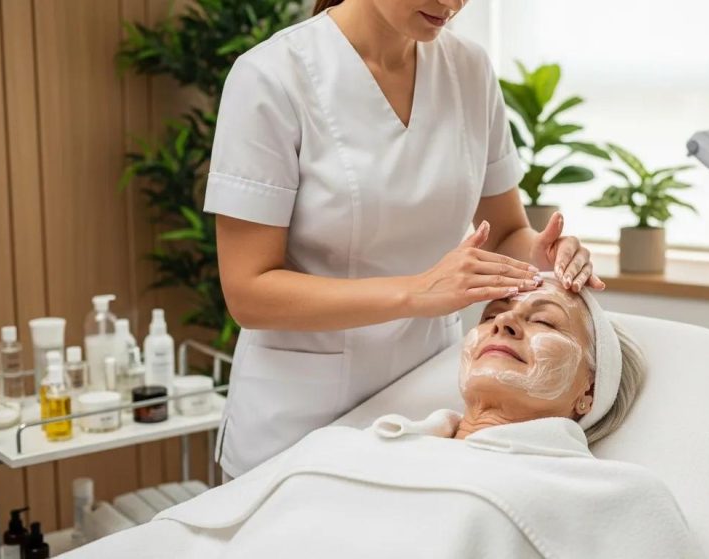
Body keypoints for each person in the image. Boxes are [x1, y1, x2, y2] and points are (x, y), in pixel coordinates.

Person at [206, 0, 605, 479]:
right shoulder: (271, 78)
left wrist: (537, 254)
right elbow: (249, 292)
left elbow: (504, 232)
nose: (452, 4)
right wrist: (417, 292)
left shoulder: (469, 70)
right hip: (298, 421)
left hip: (421, 407)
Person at [67, 280, 702, 559]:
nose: (505, 321)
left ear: (586, 393)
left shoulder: (615, 495)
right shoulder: (352, 447)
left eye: (544, 321)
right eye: (494, 315)